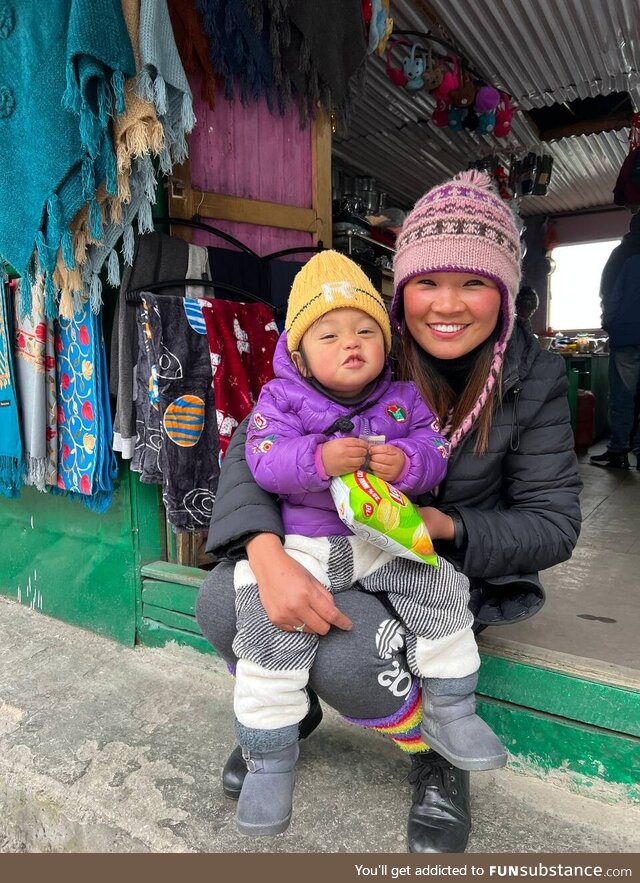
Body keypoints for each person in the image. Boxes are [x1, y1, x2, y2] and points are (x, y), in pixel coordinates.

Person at [196, 170, 582, 854]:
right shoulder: (364, 340)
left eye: (474, 282)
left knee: (350, 654)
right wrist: (265, 550)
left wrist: (442, 526)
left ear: (506, 289)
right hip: (330, 542)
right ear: (400, 292)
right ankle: (281, 728)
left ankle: (438, 751)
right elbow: (252, 446)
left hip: (439, 568)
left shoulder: (535, 377)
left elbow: (553, 523)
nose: (448, 305)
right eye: (427, 283)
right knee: (226, 600)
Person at [231, 251, 506, 837]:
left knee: (441, 589)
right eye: (328, 335)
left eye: (365, 332)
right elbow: (262, 459)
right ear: (299, 356)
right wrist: (317, 458)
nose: (350, 344)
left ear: (386, 341)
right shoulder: (281, 400)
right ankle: (270, 754)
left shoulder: (402, 398)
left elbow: (435, 453)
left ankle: (451, 714)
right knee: (268, 631)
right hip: (308, 545)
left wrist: (407, 465)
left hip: (383, 538)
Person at [590, 209, 640, 470]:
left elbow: (609, 292)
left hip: (627, 335)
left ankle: (618, 451)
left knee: (622, 395)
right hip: (628, 333)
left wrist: (609, 324)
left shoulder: (623, 253)